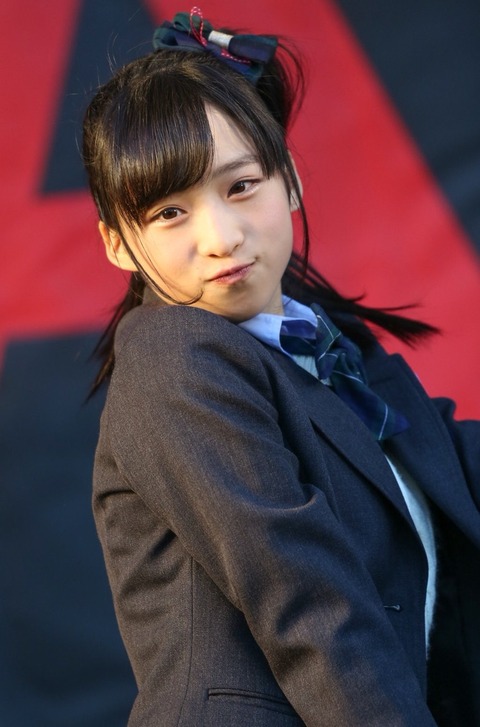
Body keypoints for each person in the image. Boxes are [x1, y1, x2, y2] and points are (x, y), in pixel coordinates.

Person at [83, 9, 480, 726]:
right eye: (169, 212)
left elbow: (442, 462)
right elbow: (309, 605)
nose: (221, 236)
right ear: (117, 243)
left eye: (240, 186)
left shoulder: (318, 340)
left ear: (289, 179)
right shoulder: (177, 357)